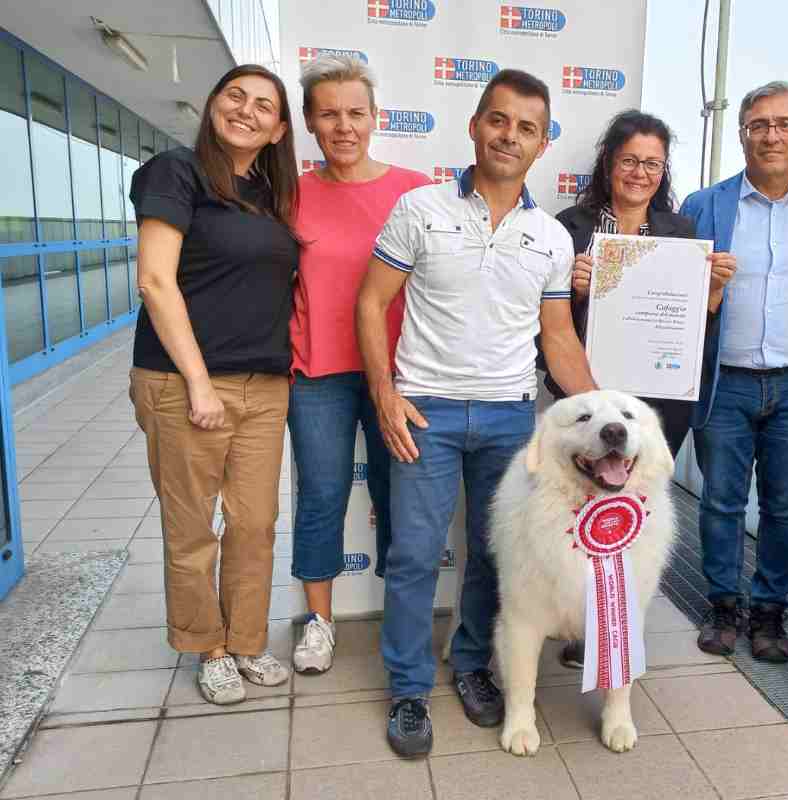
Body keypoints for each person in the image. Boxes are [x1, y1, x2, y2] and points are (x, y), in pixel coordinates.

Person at [356, 68, 596, 758]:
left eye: (526, 127)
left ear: (542, 143)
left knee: (495, 559)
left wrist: (604, 415)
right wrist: (385, 391)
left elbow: (557, 338)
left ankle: (470, 666)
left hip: (509, 420)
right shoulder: (419, 208)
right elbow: (371, 302)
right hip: (423, 412)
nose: (509, 136)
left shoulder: (551, 237)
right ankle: (407, 688)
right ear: (475, 125)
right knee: (412, 556)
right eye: (498, 120)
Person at [128, 64, 298, 705]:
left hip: (264, 383)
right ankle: (210, 647)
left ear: (279, 128)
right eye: (235, 96)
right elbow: (155, 281)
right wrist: (198, 382)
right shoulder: (176, 172)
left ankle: (248, 641)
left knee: (254, 523)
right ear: (212, 103)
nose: (246, 111)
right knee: (193, 527)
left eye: (263, 106)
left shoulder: (269, 194)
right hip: (184, 382)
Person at [547, 109, 736, 670]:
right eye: (630, 160)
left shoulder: (681, 235)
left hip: (657, 405)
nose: (640, 172)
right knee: (579, 507)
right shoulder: (570, 227)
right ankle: (582, 621)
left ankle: (618, 622)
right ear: (608, 163)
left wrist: (714, 292)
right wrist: (574, 289)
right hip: (585, 400)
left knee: (637, 506)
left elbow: (695, 327)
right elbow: (548, 321)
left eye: (653, 163)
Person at [680, 81, 788, 663]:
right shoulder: (705, 206)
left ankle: (771, 611)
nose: (772, 135)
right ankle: (723, 604)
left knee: (786, 505)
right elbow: (675, 293)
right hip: (723, 381)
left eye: (785, 124)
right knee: (721, 501)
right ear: (742, 132)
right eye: (759, 124)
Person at [288, 54, 431, 675]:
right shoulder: (289, 194)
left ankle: (404, 623)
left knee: (399, 498)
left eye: (355, 112)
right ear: (310, 123)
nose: (343, 125)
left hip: (399, 374)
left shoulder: (417, 190)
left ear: (375, 118)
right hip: (316, 372)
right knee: (320, 495)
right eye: (329, 114)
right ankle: (318, 623)